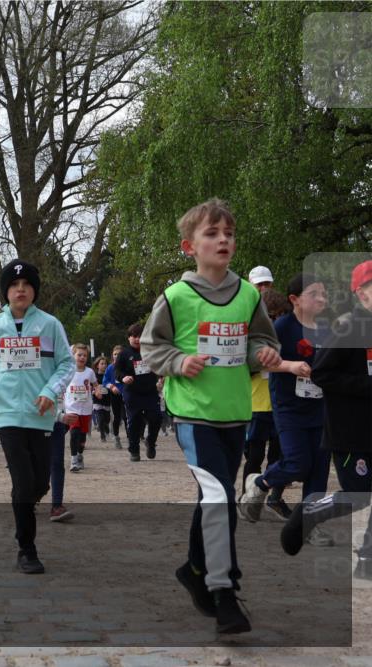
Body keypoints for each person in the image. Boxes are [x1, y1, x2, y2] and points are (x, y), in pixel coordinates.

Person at [141, 198, 281, 635]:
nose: (223, 240)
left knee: (213, 499)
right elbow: (151, 347)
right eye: (212, 234)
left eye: (229, 234)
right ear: (189, 246)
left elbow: (261, 340)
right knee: (220, 498)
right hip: (193, 415)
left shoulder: (245, 295)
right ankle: (225, 595)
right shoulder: (176, 297)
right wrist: (179, 362)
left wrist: (263, 352)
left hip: (236, 413)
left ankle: (193, 569)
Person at [0, 259, 74, 574]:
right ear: (6, 292)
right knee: (22, 480)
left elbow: (67, 364)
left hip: (41, 414)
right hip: (5, 413)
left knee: (39, 481)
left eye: (26, 285)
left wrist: (49, 391)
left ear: (34, 291)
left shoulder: (50, 324)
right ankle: (26, 549)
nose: (20, 290)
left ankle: (27, 499)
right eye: (14, 286)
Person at [281, 259, 372, 580]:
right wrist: (365, 385)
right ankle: (308, 512)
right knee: (359, 496)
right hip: (349, 430)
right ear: (360, 293)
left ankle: (366, 561)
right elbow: (321, 373)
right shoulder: (347, 327)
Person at [239, 273, 334, 548]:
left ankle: (309, 526)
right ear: (295, 300)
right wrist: (290, 366)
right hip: (288, 407)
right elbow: (259, 362)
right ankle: (260, 483)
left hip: (320, 406)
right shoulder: (282, 327)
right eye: (315, 294)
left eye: (324, 294)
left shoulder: (327, 329)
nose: (322, 299)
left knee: (318, 470)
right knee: (297, 462)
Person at [240, 288, 291, 518]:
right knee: (255, 455)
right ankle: (248, 498)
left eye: (280, 315)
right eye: (271, 316)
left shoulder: (287, 334)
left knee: (282, 457)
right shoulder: (251, 335)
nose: (275, 320)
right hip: (256, 404)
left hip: (282, 405)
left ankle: (275, 498)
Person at [116, 323, 162, 461]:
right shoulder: (124, 354)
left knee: (156, 418)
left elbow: (160, 366)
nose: (137, 339)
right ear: (129, 338)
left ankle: (151, 442)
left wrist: (161, 377)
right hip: (132, 393)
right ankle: (134, 450)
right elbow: (117, 371)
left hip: (150, 392)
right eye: (134, 336)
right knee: (134, 421)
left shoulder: (151, 352)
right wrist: (123, 377)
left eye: (140, 336)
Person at [64, 343, 98, 472]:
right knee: (74, 433)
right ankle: (73, 460)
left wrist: (98, 391)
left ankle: (79, 454)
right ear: (73, 355)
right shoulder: (68, 371)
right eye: (79, 355)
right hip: (71, 407)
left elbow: (95, 384)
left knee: (82, 436)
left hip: (86, 408)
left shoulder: (89, 372)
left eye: (84, 355)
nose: (82, 357)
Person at [104, 345, 127, 449]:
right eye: (115, 354)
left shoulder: (127, 366)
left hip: (127, 394)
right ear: (112, 355)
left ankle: (130, 438)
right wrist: (112, 387)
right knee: (117, 417)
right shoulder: (110, 368)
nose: (117, 356)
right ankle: (116, 437)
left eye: (119, 354)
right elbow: (105, 381)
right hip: (115, 395)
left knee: (127, 417)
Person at [92, 355, 111, 443]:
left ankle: (106, 426)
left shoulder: (108, 376)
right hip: (97, 400)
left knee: (106, 419)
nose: (104, 365)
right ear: (97, 365)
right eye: (102, 364)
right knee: (100, 418)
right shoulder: (94, 376)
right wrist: (94, 391)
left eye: (105, 364)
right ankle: (102, 436)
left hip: (107, 400)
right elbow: (90, 386)